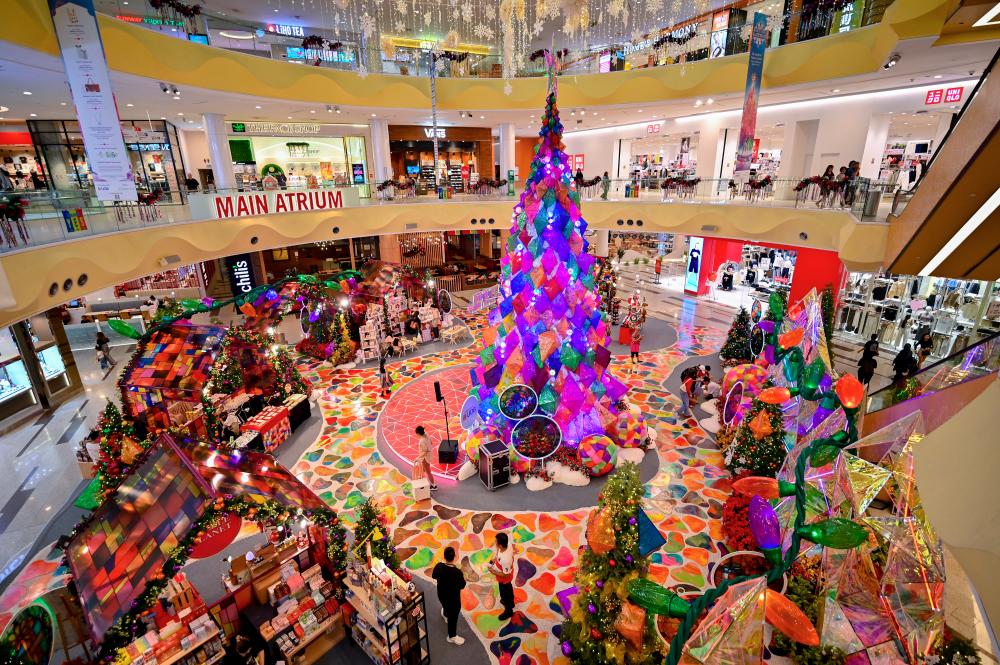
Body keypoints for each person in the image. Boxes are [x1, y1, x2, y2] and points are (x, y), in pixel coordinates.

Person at [432, 546, 467, 645]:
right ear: (454, 557)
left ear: (444, 556)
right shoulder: (457, 573)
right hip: (453, 601)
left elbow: (433, 576)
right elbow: (462, 585)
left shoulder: (439, 566)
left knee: (446, 607)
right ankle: (452, 636)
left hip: (441, 595)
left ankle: (445, 614)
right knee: (453, 617)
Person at [490, 532, 515, 621]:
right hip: (505, 573)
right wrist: (495, 559)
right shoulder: (507, 545)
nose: (495, 542)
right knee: (509, 589)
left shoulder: (505, 559)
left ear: (500, 545)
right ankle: (511, 603)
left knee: (505, 593)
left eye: (496, 542)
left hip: (505, 579)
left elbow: (506, 574)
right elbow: (498, 551)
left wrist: (493, 571)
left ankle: (509, 611)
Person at [414, 425, 437, 491]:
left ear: (418, 433)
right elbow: (431, 443)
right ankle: (422, 482)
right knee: (423, 470)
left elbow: (425, 452)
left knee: (428, 472)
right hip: (429, 455)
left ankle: (433, 485)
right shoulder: (427, 434)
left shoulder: (422, 441)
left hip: (425, 458)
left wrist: (418, 457)